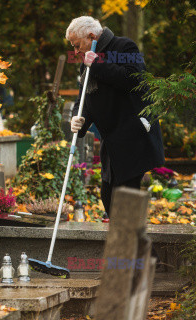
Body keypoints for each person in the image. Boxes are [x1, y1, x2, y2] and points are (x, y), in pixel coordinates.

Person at [67, 16, 164, 217]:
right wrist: (78, 117)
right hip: (111, 142)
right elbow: (84, 97)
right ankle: (133, 246)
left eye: (77, 46)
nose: (75, 52)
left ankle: (131, 247)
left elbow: (135, 80)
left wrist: (98, 64)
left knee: (124, 202)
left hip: (133, 137)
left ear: (92, 36)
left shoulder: (125, 47)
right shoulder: (87, 62)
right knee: (108, 196)